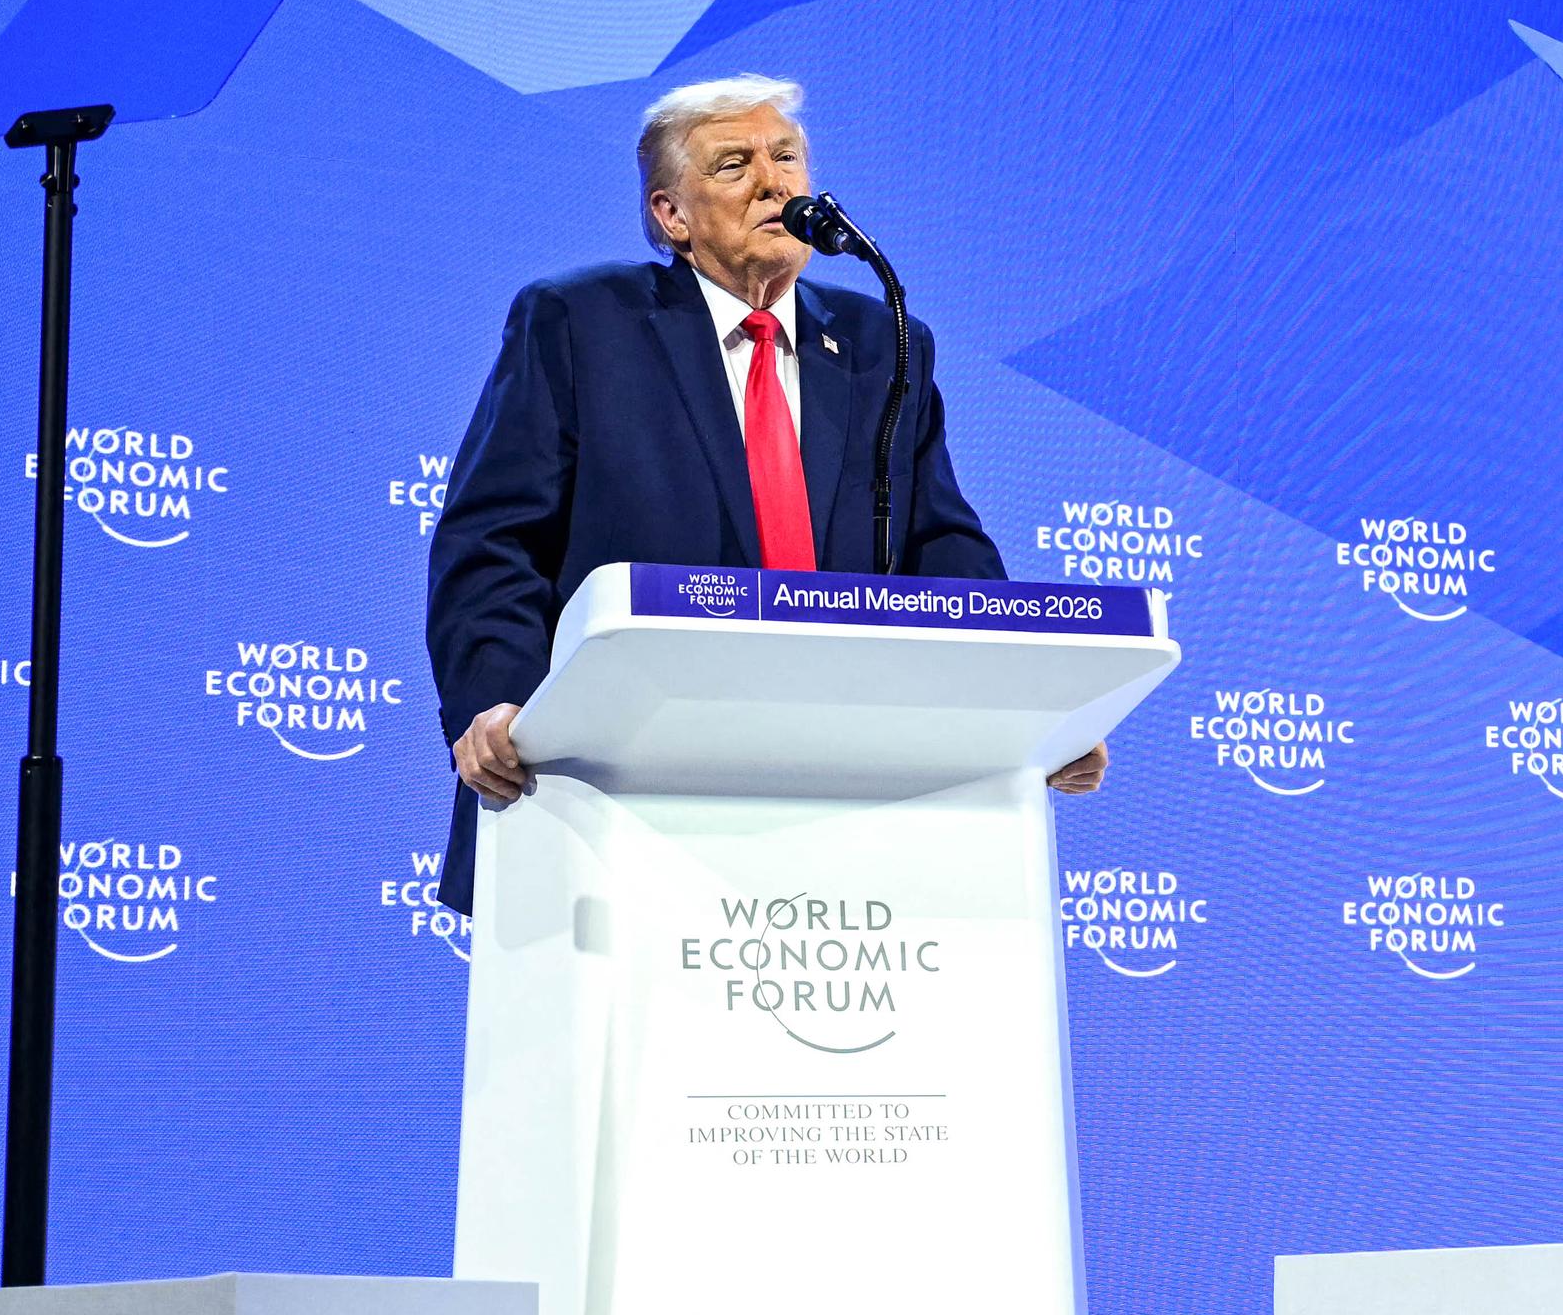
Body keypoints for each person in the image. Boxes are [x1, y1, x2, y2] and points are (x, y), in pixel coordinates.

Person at [424, 73, 1100, 912]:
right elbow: (495, 540)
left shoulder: (882, 342)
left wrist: (1024, 715)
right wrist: (503, 708)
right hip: (615, 788)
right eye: (734, 165)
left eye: (786, 158)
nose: (773, 183)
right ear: (671, 214)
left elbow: (940, 544)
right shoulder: (580, 322)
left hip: (847, 798)